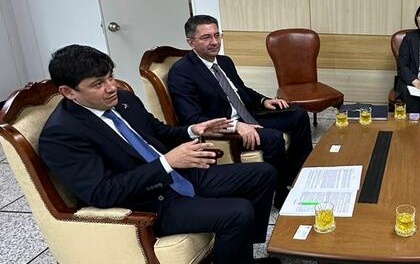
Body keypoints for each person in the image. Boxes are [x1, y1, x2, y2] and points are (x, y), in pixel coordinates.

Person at [39, 45, 278, 264]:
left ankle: (242, 254)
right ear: (68, 92)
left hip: (177, 175)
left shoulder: (123, 99)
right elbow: (102, 192)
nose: (111, 87)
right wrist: (166, 163)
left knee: (263, 173)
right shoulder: (61, 134)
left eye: (110, 76)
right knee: (238, 211)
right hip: (147, 202)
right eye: (98, 84)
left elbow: (158, 132)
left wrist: (193, 130)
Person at [168, 15, 312, 206]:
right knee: (273, 137)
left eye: (217, 35)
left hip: (249, 115)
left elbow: (241, 90)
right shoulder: (182, 72)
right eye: (206, 37)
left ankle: (298, 176)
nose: (214, 42)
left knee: (299, 115)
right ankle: (280, 194)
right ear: (191, 42)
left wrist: (264, 100)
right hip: (224, 131)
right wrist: (235, 126)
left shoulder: (224, 61)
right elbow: (192, 119)